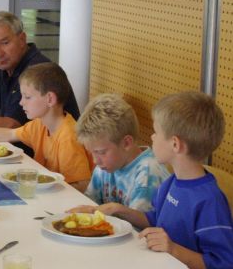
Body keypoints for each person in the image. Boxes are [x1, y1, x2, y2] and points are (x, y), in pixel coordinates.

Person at [75, 92, 233, 269]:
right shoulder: (171, 183)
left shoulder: (210, 201)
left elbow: (224, 263)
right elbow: (153, 219)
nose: (152, 137)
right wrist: (118, 209)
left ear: (175, 144)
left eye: (156, 133)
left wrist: (173, 249)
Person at [0, 62, 92, 191]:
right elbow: (9, 134)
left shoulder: (68, 136)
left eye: (27, 97)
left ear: (50, 99)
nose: (21, 102)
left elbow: (81, 185)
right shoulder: (40, 124)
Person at [71, 93, 170, 211]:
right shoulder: (104, 168)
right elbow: (89, 205)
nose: (95, 160)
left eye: (101, 152)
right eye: (92, 152)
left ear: (126, 143)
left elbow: (137, 222)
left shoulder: (148, 174)